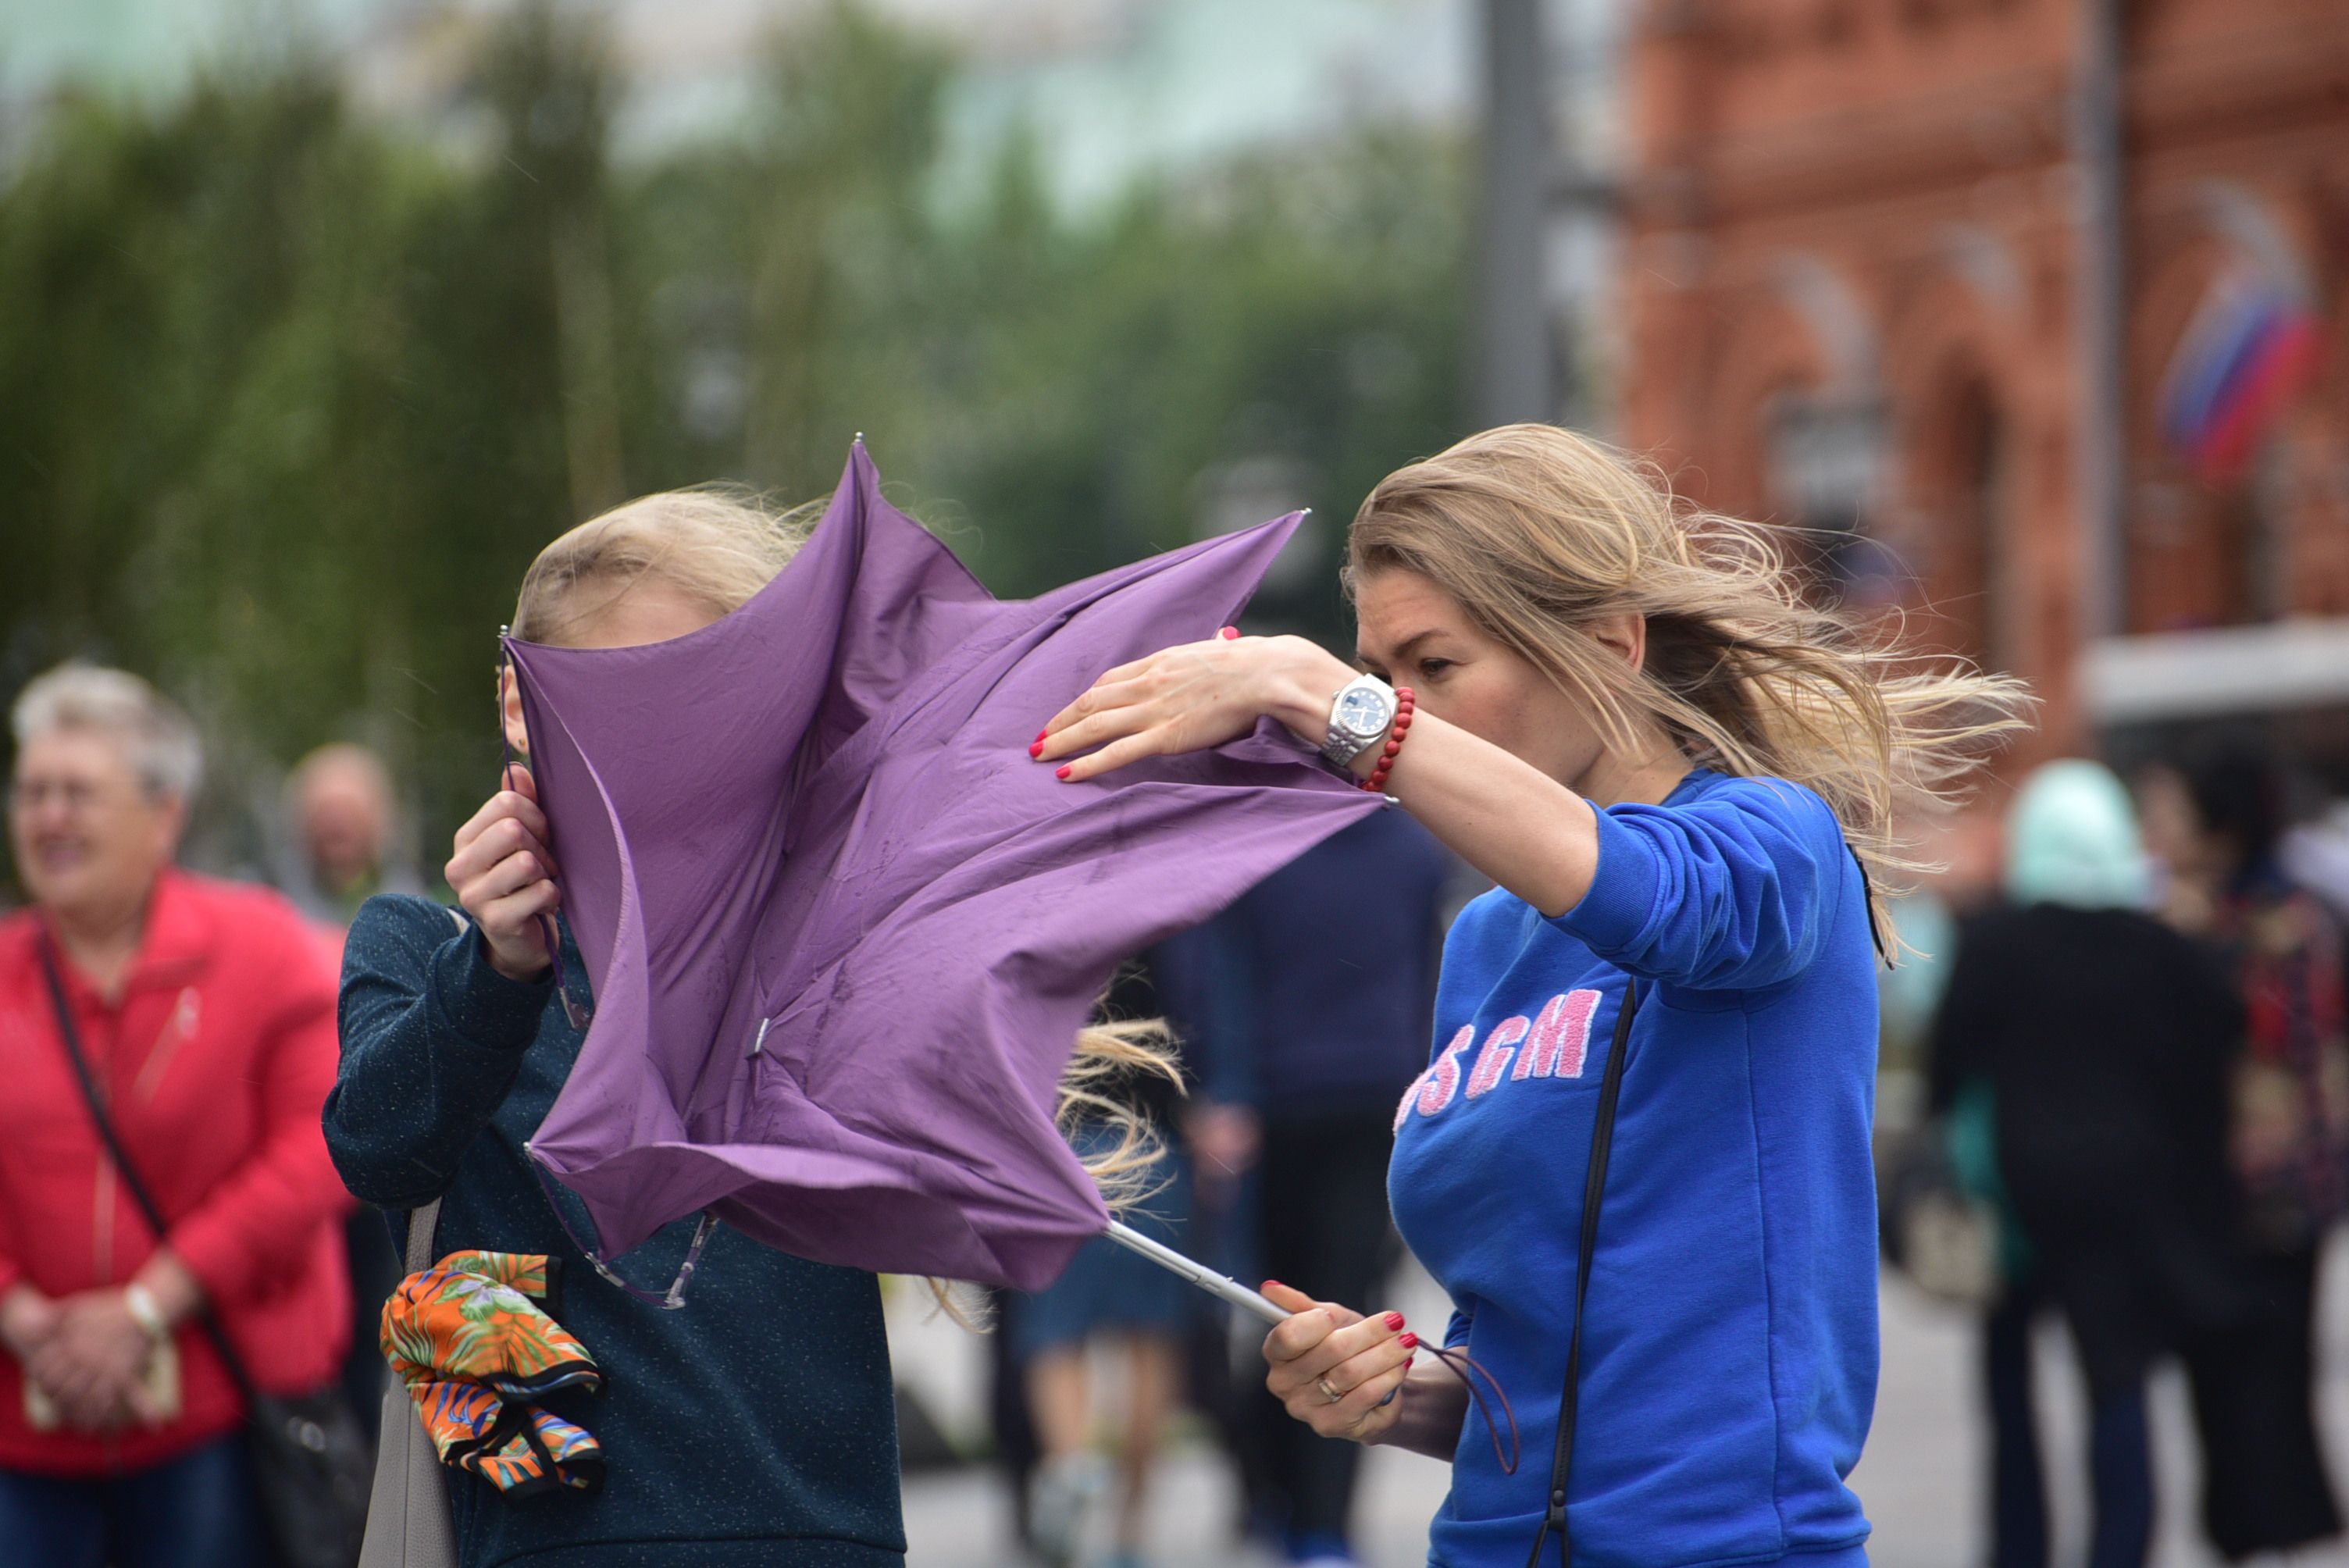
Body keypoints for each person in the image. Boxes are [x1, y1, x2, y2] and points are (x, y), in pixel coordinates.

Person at [1035, 423, 2027, 1566]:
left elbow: (1656, 899)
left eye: (1435, 667)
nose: (1399, 705)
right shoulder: (1490, 939)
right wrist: (1392, 1388)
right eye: (1379, 672)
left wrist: (1319, 696)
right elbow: (1522, 1381)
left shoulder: (1774, 843)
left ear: (1610, 645)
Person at [0, 664, 351, 1567]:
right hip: (19, 1439)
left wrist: (149, 1305)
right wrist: (16, 1310)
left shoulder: (260, 948)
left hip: (221, 1426)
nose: (48, 817)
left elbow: (321, 1147)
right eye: (33, 791)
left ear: (163, 815)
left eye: (78, 792)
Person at [1928, 761, 2246, 1568]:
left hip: (2012, 1191)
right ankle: (2117, 1549)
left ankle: (2018, 1549)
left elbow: (1944, 1064)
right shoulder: (2159, 947)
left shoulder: (1994, 938)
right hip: (2124, 1193)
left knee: (2009, 1387)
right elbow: (2216, 1048)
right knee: (2117, 1379)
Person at [1187, 809, 1455, 1568]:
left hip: (1338, 1104)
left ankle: (1313, 1520)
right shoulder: (1407, 841)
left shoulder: (1280, 837)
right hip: (1316, 1105)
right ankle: (1293, 1506)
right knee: (1301, 1311)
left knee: (1309, 1311)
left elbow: (1219, 975)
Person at [2169, 754, 2344, 1559]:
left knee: (2253, 1371)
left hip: (2255, 1183)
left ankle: (2263, 1525)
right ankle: (2266, 1525)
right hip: (2282, 1180)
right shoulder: (2287, 910)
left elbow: (2269, 1049)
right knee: (2260, 1364)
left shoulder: (2257, 919)